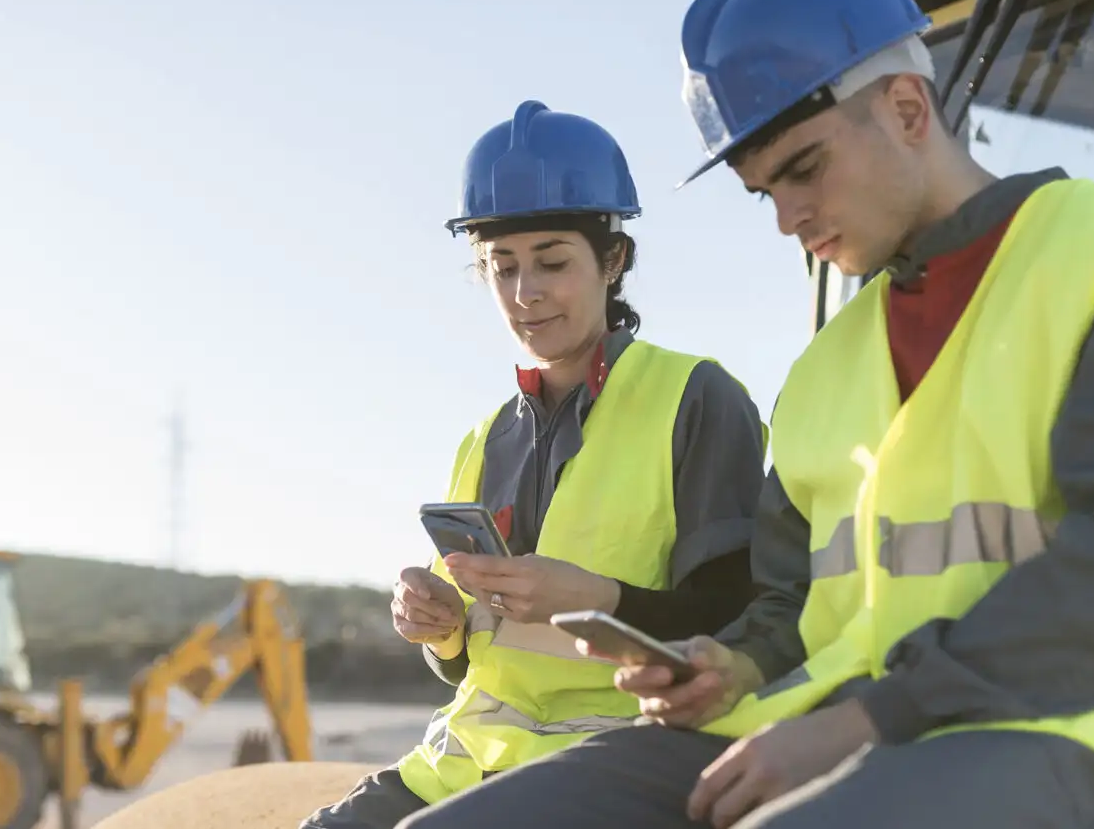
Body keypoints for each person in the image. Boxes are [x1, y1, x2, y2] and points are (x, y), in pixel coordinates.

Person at [396, 0, 1094, 829]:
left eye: (804, 170)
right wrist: (735, 663)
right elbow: (793, 600)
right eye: (763, 194)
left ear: (908, 109)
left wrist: (867, 721)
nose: (789, 218)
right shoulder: (833, 365)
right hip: (857, 722)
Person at [298, 100, 771, 829]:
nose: (526, 294)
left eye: (552, 262)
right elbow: (466, 664)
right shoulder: (484, 440)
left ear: (613, 260)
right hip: (466, 759)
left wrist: (594, 598)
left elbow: (737, 620)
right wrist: (440, 625)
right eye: (501, 267)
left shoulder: (697, 398)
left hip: (622, 756)